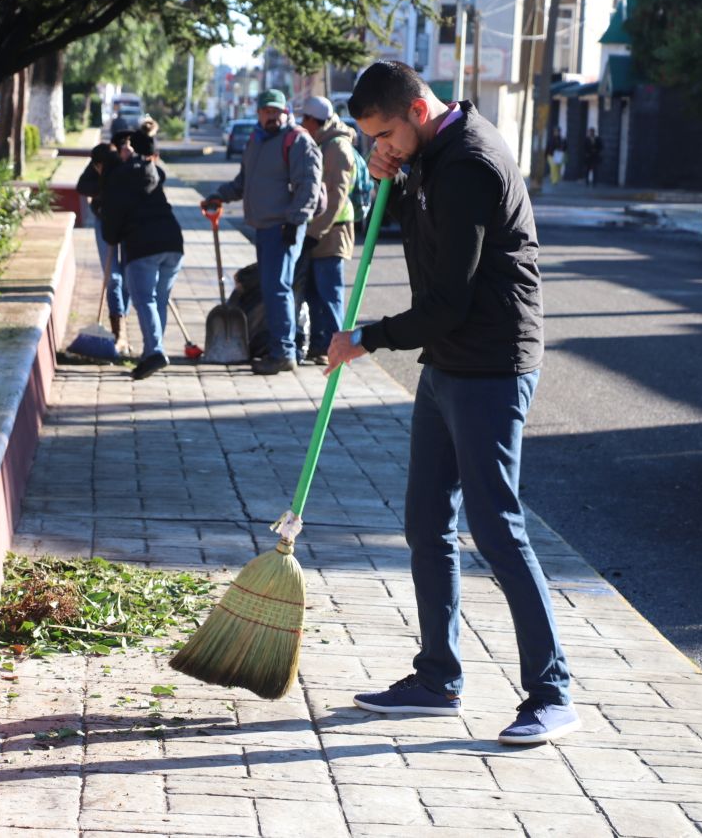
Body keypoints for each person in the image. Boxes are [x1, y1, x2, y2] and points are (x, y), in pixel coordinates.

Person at [325, 61, 579, 745]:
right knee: (425, 521)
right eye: (371, 136)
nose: (381, 143)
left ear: (416, 106)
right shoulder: (430, 154)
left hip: (493, 364)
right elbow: (423, 230)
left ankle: (552, 691)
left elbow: (448, 300)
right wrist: (392, 177)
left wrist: (367, 338)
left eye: (385, 133)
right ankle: (438, 677)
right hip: (449, 364)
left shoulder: (469, 162)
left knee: (496, 527)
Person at [203, 89, 322, 374]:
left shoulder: (297, 140)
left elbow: (309, 185)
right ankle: (278, 348)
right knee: (272, 289)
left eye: (276, 111)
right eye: (266, 111)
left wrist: (295, 221)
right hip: (263, 227)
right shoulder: (257, 141)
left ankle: (283, 352)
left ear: (286, 112)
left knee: (278, 289)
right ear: (258, 113)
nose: (271, 116)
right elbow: (245, 181)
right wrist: (219, 195)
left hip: (283, 227)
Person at [100, 131, 184, 380]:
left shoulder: (118, 177)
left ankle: (155, 351)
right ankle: (151, 353)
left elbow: (113, 214)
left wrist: (111, 237)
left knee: (145, 298)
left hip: (143, 245)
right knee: (159, 299)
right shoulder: (153, 171)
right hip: (173, 241)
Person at [298, 95, 357, 366]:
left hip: (333, 234)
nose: (301, 124)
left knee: (330, 295)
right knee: (313, 293)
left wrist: (315, 233)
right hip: (319, 232)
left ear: (314, 120)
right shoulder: (323, 143)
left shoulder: (337, 148)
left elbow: (336, 198)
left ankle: (337, 349)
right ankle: (321, 346)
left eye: (304, 120)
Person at [77, 117, 138, 354]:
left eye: (129, 141)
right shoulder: (103, 159)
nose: (125, 145)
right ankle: (118, 333)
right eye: (121, 141)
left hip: (132, 225)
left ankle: (121, 321)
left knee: (130, 276)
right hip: (105, 223)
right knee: (113, 278)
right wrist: (106, 180)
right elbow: (83, 186)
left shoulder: (136, 161)